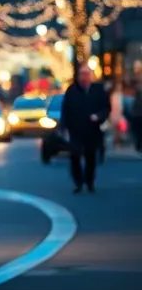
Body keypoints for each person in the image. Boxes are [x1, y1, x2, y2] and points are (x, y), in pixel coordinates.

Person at [59, 63, 111, 193]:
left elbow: (106, 108)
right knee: (75, 156)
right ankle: (78, 182)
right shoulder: (72, 91)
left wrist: (98, 117)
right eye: (81, 74)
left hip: (92, 129)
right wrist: (63, 127)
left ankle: (89, 181)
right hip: (75, 129)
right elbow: (65, 110)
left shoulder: (98, 90)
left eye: (86, 74)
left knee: (91, 156)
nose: (84, 77)